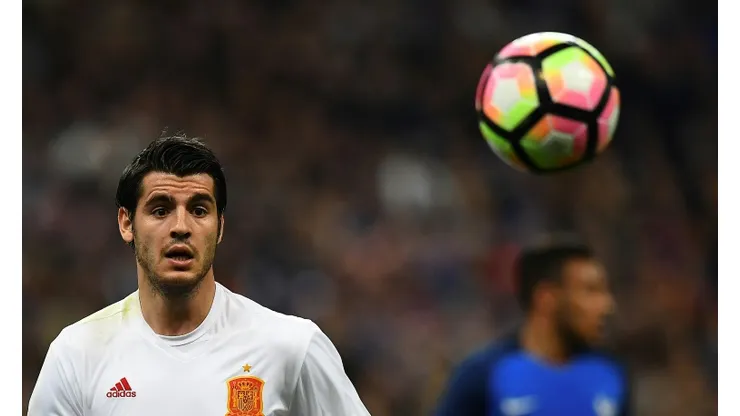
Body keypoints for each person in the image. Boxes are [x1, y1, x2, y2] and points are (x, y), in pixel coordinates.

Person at [27, 135, 371, 416]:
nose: (181, 226)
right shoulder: (76, 354)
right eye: (160, 210)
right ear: (127, 223)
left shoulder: (292, 347)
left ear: (219, 227)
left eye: (199, 210)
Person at [434, 238, 631, 416]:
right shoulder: (484, 374)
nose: (607, 306)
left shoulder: (610, 373)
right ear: (546, 298)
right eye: (591, 291)